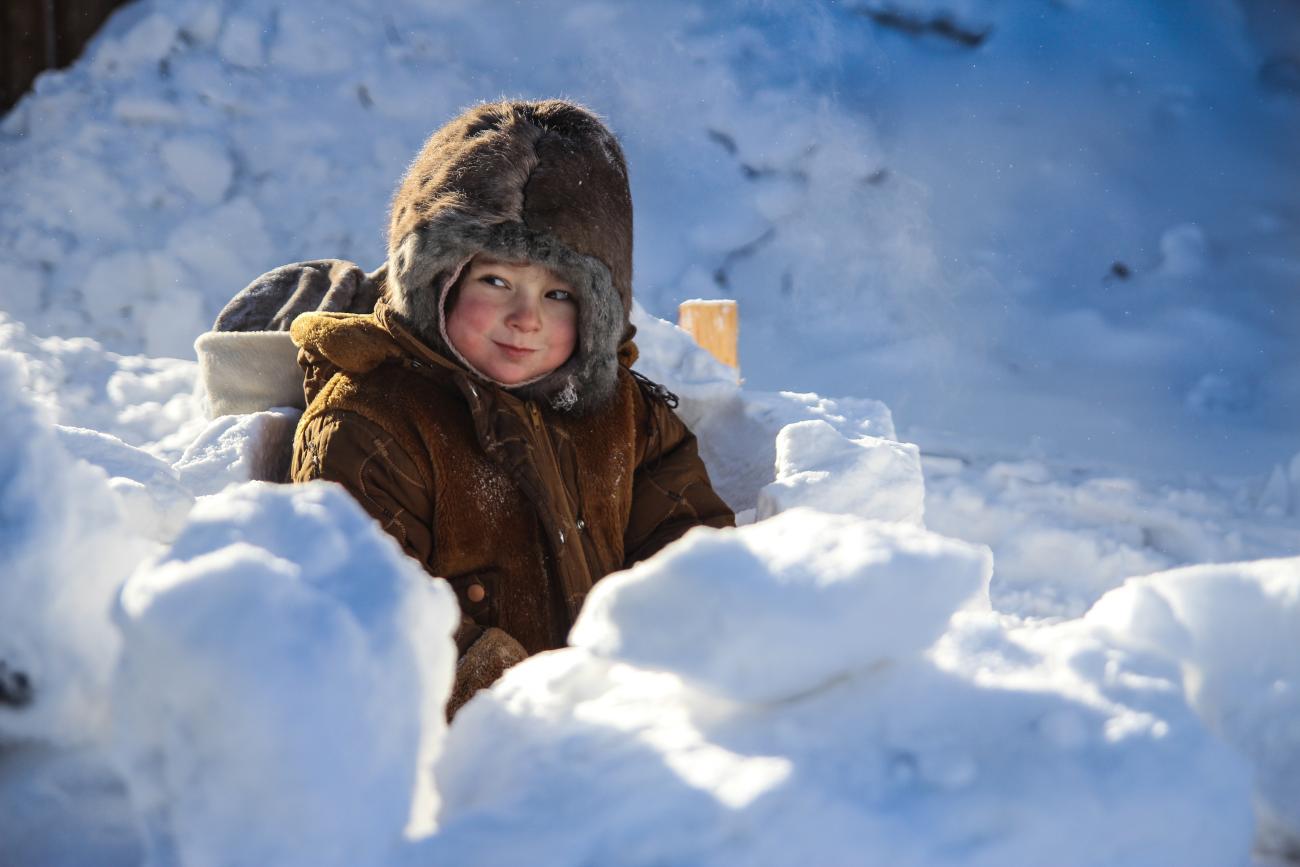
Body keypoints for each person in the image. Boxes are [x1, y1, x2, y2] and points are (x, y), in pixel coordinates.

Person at [284, 99, 735, 717]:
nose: (526, 319)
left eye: (557, 294)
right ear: (436, 282)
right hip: (466, 758)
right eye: (496, 282)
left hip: (618, 745)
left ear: (598, 311)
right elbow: (372, 603)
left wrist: (660, 667)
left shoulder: (623, 415)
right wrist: (524, 709)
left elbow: (690, 548)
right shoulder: (372, 422)